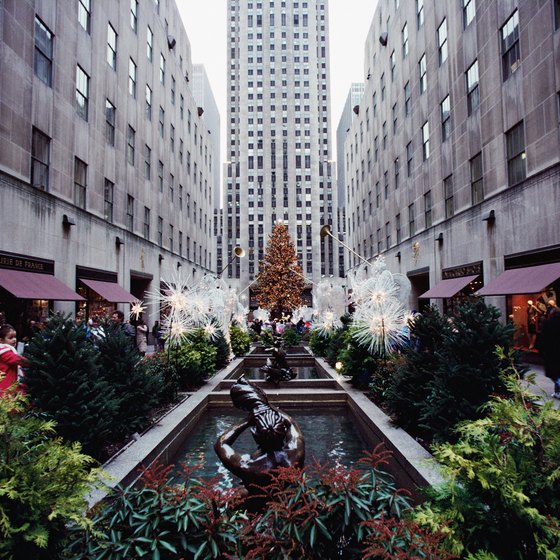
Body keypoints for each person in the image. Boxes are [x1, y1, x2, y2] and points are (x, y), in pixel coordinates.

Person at [214, 376, 304, 502]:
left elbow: (221, 443)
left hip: (258, 506)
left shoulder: (248, 467)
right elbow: (291, 422)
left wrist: (248, 419)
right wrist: (266, 406)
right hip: (289, 504)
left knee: (237, 495)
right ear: (283, 431)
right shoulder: (296, 453)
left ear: (254, 433)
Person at [536, 306, 560, 398]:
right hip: (555, 351)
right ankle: (557, 391)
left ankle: (558, 388)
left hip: (551, 352)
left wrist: (541, 350)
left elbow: (543, 338)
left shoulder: (547, 323)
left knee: (553, 372)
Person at [0, 323, 26, 395]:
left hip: (10, 385)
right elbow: (17, 359)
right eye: (10, 338)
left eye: (15, 337)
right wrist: (32, 361)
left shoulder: (9, 350)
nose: (14, 340)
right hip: (6, 387)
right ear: (1, 340)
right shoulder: (4, 352)